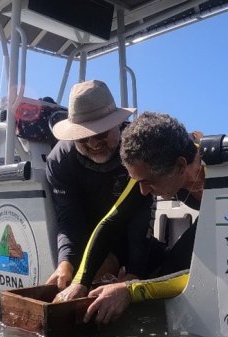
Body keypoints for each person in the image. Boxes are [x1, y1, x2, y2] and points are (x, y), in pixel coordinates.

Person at [55, 112, 205, 325]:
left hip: (225, 221)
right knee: (167, 269)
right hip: (207, 220)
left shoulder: (216, 173)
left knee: (177, 270)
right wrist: (80, 281)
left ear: (181, 166)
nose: (143, 192)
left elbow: (199, 276)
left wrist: (130, 291)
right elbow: (111, 222)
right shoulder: (157, 168)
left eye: (148, 182)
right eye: (138, 182)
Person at [45, 80, 157, 291]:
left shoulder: (138, 149)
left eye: (100, 134)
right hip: (86, 238)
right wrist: (65, 263)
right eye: (83, 138)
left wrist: (134, 273)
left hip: (131, 232)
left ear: (117, 124)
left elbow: (142, 215)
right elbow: (68, 219)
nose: (94, 144)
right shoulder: (59, 160)